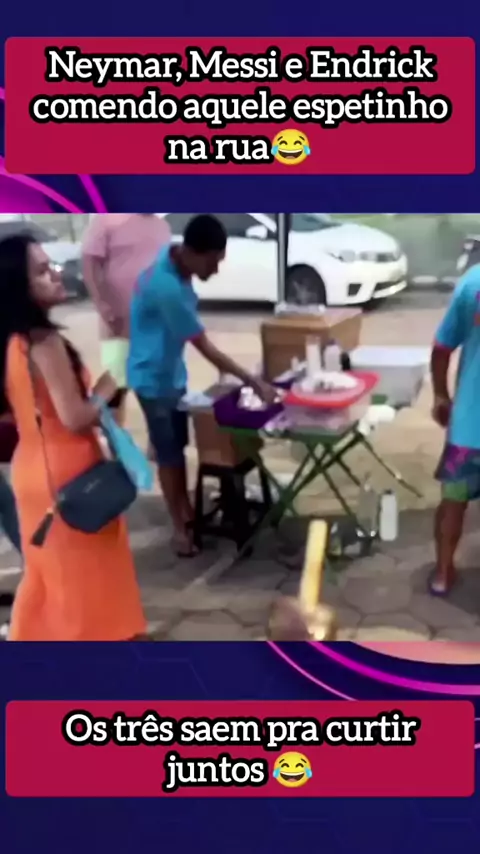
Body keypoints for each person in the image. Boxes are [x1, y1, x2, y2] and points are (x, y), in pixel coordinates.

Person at [0, 233, 146, 641]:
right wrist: (105, 387)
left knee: (49, 583)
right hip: (68, 475)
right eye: (41, 271)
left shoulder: (12, 342)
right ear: (20, 287)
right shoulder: (44, 342)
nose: (55, 273)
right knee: (85, 586)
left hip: (32, 467)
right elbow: (74, 418)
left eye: (51, 265)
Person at [128, 214, 277, 557]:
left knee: (176, 447)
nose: (215, 270)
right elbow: (205, 347)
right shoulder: (166, 287)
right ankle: (181, 529)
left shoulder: (172, 257)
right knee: (170, 455)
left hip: (171, 373)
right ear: (193, 252)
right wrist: (253, 381)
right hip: (153, 380)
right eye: (212, 261)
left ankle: (186, 512)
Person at [82, 214, 171, 424]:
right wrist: (103, 306)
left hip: (154, 328)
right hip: (118, 326)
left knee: (157, 391)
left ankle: (158, 441)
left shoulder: (163, 227)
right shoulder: (106, 221)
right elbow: (89, 265)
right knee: (115, 388)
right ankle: (116, 441)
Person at [430, 263, 480, 596]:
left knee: (453, 501)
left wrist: (440, 395)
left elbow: (442, 347)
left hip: (468, 428)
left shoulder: (473, 282)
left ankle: (443, 573)